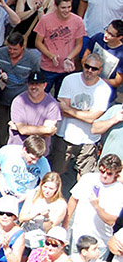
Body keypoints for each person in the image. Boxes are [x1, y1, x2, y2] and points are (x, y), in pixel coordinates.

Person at [52, 54, 113, 187]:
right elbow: (62, 110)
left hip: (89, 139)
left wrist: (70, 110)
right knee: (55, 173)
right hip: (64, 135)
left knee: (86, 177)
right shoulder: (69, 80)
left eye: (94, 69)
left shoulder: (104, 89)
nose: (90, 70)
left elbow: (93, 118)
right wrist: (86, 114)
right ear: (83, 64)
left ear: (100, 70)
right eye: (87, 66)